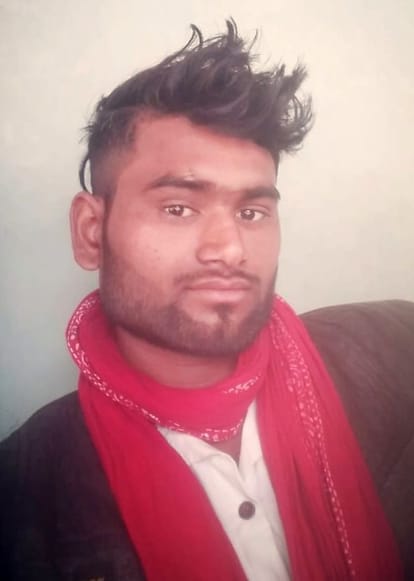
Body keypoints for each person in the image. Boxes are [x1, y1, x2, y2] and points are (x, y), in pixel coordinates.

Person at [0, 20, 403, 581]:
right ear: (92, 232)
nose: (230, 249)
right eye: (178, 208)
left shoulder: (380, 358)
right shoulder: (24, 495)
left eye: (252, 212)